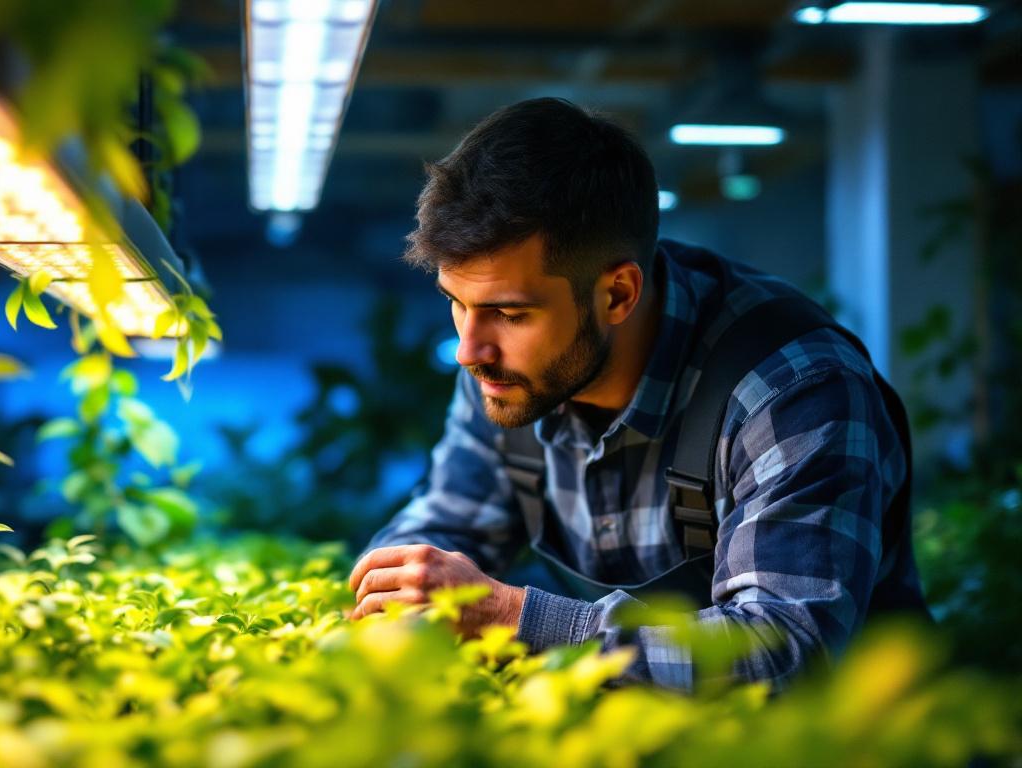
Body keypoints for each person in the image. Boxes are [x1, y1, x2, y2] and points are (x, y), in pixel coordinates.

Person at [348, 97, 926, 692]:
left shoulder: (791, 389)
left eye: (510, 313)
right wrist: (407, 588)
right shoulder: (512, 374)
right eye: (456, 303)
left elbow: (786, 655)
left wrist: (518, 618)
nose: (470, 350)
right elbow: (448, 523)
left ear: (617, 295)